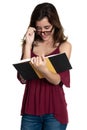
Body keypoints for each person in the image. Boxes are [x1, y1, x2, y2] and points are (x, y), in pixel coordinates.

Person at [17, 2, 72, 130]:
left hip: (54, 112)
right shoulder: (30, 45)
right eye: (39, 28)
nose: (43, 32)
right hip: (30, 110)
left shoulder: (64, 46)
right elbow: (23, 77)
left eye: (47, 27)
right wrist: (28, 44)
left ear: (55, 24)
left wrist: (43, 69)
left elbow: (57, 80)